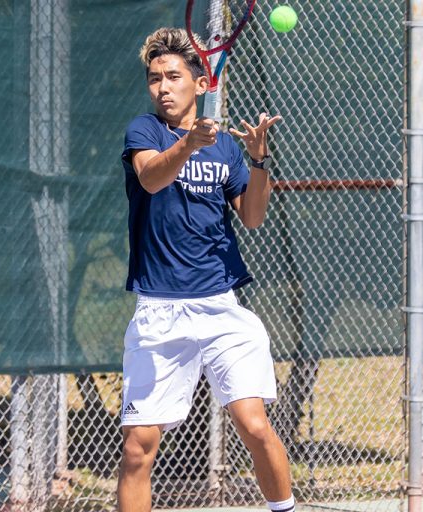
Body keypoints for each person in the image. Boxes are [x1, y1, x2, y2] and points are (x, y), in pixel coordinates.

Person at [118, 27, 295, 512]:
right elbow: (152, 178)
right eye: (155, 79)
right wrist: (189, 145)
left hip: (221, 308)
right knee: (138, 448)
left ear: (201, 83)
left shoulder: (226, 148)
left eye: (173, 76)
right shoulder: (144, 131)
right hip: (159, 313)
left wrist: (258, 160)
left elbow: (253, 216)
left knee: (255, 425)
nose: (163, 88)